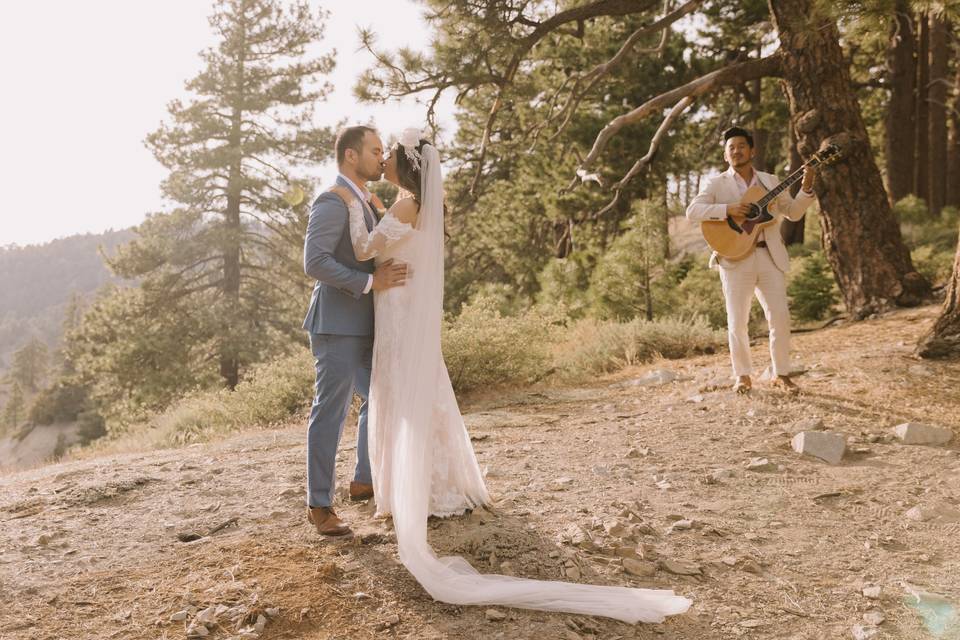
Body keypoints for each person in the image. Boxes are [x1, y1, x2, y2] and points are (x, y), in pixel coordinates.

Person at [342, 127, 691, 624]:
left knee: (401, 392)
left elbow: (362, 251)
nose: (385, 159)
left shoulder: (402, 208)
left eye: (391, 153)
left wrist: (353, 204)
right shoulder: (421, 205)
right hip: (406, 308)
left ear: (406, 163)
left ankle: (411, 488)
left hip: (396, 309)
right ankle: (436, 482)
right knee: (425, 391)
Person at [301, 125, 408, 537]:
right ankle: (319, 506)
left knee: (379, 397)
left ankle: (363, 479)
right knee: (329, 411)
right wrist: (369, 283)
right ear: (351, 156)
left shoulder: (366, 199)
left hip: (366, 325)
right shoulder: (331, 201)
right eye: (375, 150)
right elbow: (315, 261)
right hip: (337, 325)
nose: (381, 158)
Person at [686, 126, 817, 394]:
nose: (737, 151)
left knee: (779, 316)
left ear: (752, 150)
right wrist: (728, 210)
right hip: (734, 256)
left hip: (768, 254)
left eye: (742, 146)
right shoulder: (716, 183)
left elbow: (792, 213)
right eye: (731, 147)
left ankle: (781, 373)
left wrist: (806, 186)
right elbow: (692, 211)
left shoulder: (769, 181)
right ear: (726, 155)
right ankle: (742, 376)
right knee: (737, 321)